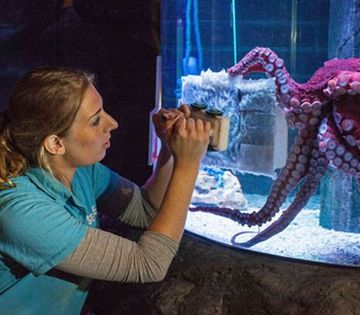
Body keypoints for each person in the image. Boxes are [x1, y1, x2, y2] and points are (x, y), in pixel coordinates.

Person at [0, 67, 211, 314]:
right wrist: (188, 165)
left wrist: (169, 150)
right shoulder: (22, 212)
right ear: (56, 143)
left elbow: (146, 211)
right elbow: (149, 264)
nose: (113, 123)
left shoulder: (81, 171)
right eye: (95, 120)